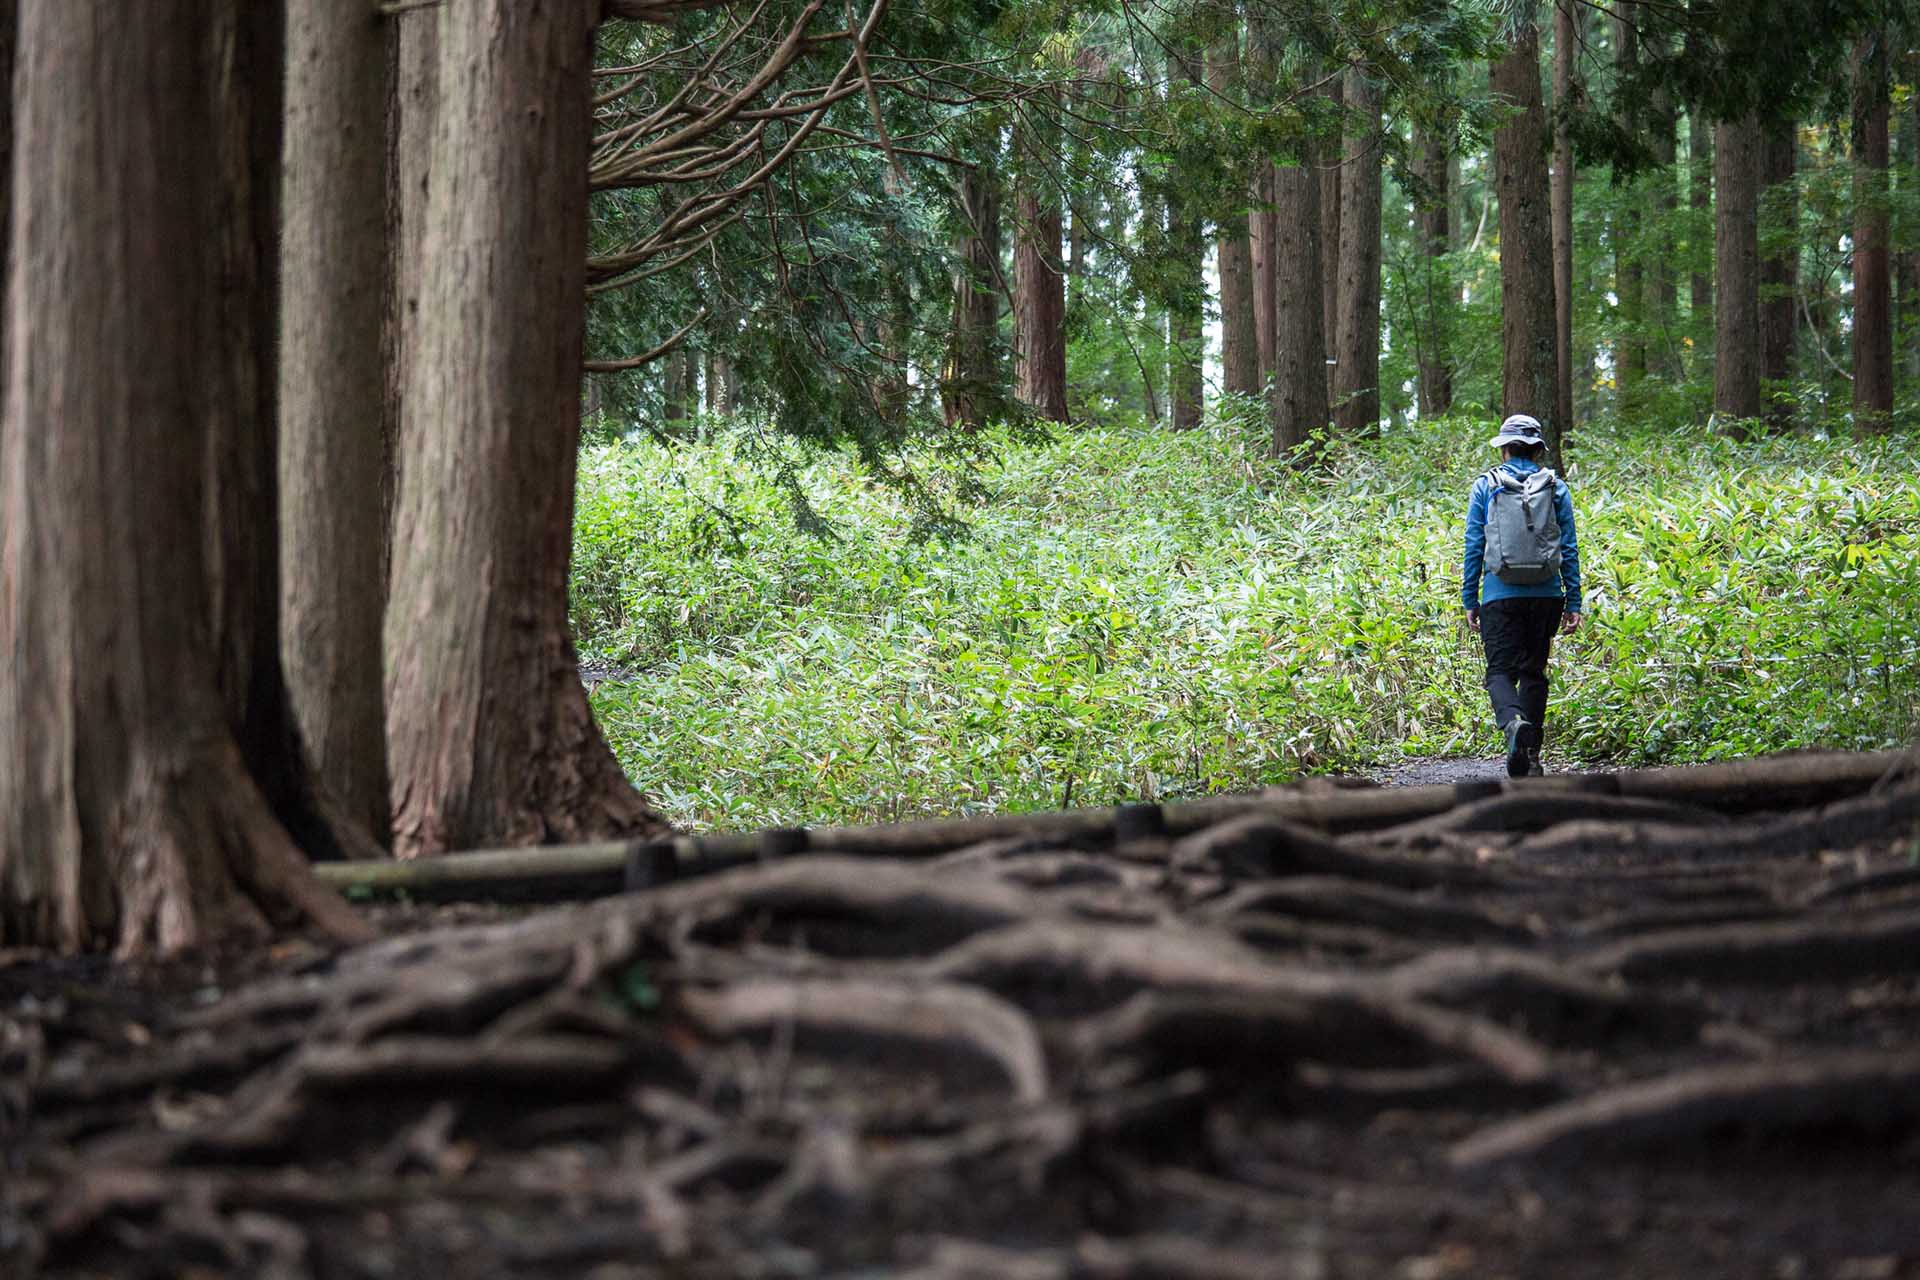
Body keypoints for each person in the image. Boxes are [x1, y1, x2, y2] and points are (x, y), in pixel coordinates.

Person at [1461, 414, 1582, 777]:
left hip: (1500, 594)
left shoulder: (1486, 485)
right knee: (1533, 673)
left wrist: (1470, 597)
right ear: (1538, 449)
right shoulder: (1555, 487)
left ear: (1506, 448)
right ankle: (1530, 758)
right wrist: (1572, 600)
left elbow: (1474, 545)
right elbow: (1569, 547)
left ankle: (1513, 722)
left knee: (1499, 671)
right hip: (1546, 595)